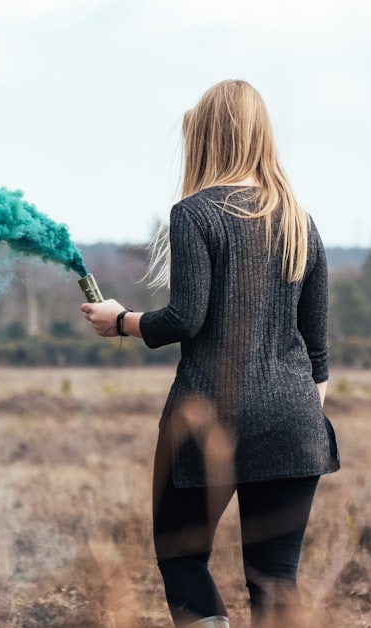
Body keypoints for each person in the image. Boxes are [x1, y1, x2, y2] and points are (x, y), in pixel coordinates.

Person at [81, 79, 340, 628]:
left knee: (180, 557)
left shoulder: (195, 214)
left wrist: (121, 321)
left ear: (205, 136)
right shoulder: (300, 220)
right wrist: (293, 411)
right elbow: (317, 355)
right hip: (294, 421)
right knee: (275, 579)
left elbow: (185, 318)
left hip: (207, 420)